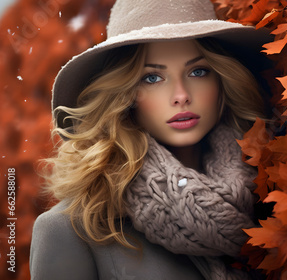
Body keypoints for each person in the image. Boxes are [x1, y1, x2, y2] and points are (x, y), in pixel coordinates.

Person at [29, 0, 272, 279]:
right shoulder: (69, 231)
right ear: (125, 94)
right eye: (152, 77)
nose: (181, 94)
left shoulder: (272, 200)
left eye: (198, 71)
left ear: (222, 80)